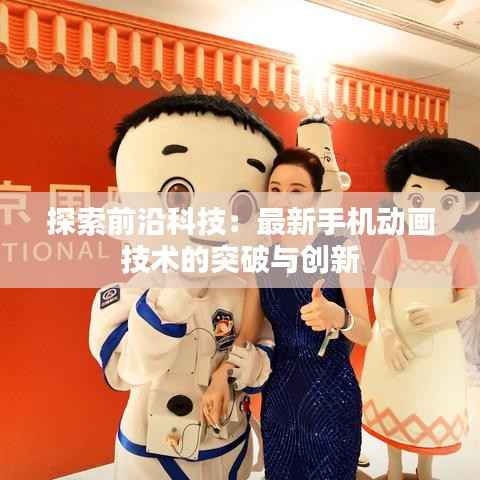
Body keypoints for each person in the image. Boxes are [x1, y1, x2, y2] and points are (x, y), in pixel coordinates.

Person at [89, 94, 282, 480]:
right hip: (152, 453)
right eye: (178, 194)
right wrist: (179, 291)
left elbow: (263, 345)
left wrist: (247, 368)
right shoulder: (127, 296)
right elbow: (126, 371)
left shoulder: (244, 290)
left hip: (228, 443)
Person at [202, 147, 372, 479]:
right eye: (276, 189)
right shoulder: (261, 257)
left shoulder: (341, 246)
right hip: (280, 400)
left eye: (297, 190)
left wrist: (338, 317)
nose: (283, 200)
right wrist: (222, 374)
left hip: (332, 399)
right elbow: (248, 334)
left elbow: (365, 332)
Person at [361, 137, 480, 480]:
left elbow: (468, 302)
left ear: (466, 205)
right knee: (395, 401)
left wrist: (441, 314)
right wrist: (388, 334)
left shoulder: (458, 253)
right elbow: (380, 293)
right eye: (417, 197)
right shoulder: (395, 246)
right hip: (394, 342)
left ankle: (425, 470)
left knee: (429, 405)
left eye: (446, 200)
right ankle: (394, 469)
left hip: (438, 348)